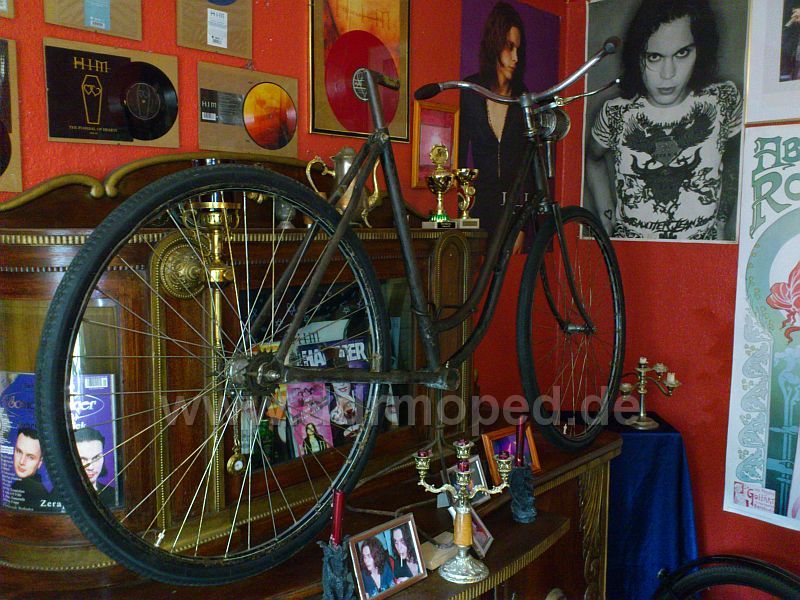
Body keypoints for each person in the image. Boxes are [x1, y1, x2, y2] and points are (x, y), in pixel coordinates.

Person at [585, 0, 742, 240]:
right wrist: (606, 220)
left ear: (700, 50)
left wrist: (721, 220)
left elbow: (735, 155)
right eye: (654, 57)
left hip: (700, 252)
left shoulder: (722, 99)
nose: (668, 74)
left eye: (682, 53)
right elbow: (593, 158)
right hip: (635, 253)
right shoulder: (616, 112)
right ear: (637, 56)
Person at [458, 1, 530, 253]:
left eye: (518, 49)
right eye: (509, 47)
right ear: (494, 44)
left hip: (513, 212)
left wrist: (522, 226)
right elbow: (458, 156)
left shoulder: (523, 98)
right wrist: (458, 212)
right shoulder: (471, 91)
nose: (515, 58)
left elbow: (530, 168)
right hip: (475, 209)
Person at [9, 427, 49, 510]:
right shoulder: (17, 485)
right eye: (19, 452)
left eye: (30, 457)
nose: (22, 461)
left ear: (40, 462)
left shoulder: (27, 488)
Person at [75, 426, 117, 506]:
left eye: (96, 458)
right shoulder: (57, 496)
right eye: (82, 459)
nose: (91, 467)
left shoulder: (113, 495)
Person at [328, 381, 360, 445]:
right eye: (337, 381)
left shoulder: (360, 403)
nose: (342, 384)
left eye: (345, 380)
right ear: (331, 384)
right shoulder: (330, 410)